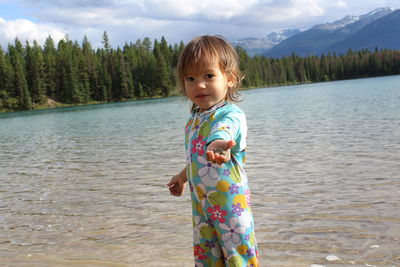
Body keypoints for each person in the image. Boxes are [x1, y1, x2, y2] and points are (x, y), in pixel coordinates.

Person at [167, 35, 259, 267]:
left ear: (230, 78)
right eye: (191, 78)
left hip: (230, 203)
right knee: (207, 257)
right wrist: (182, 176)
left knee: (238, 256)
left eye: (209, 76)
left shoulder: (230, 114)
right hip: (202, 205)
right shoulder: (194, 120)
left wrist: (219, 143)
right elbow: (197, 159)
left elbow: (224, 131)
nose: (199, 85)